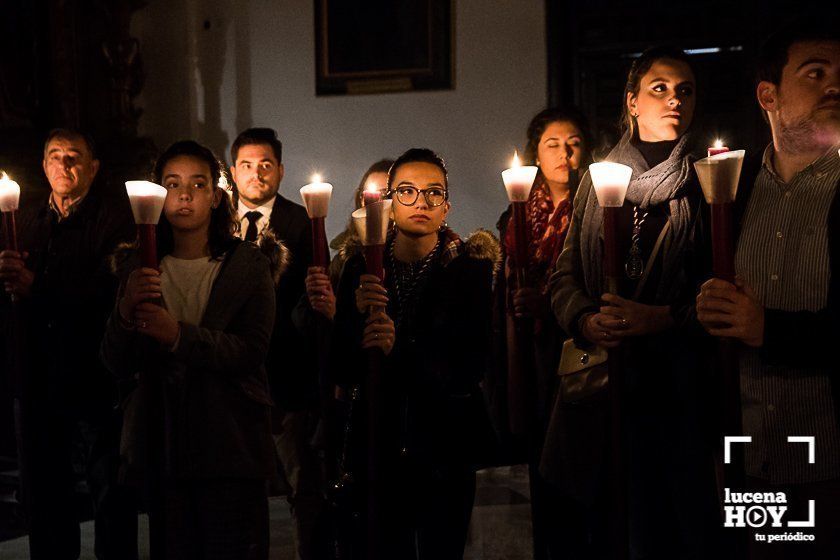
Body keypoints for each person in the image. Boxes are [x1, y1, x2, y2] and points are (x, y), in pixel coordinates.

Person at [548, 46, 720, 558]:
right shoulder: (598, 180)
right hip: (605, 384)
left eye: (685, 91)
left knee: (676, 528)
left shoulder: (707, 181)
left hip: (678, 384)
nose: (674, 100)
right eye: (660, 88)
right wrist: (584, 317)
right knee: (610, 525)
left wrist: (663, 318)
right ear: (631, 102)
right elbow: (564, 275)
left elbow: (723, 283)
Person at [696, 22, 840, 559]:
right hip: (745, 456)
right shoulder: (732, 188)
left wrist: (768, 328)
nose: (834, 86)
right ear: (768, 95)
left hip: (827, 460)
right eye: (816, 72)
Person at [101, 140, 278, 559]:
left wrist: (178, 335)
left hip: (230, 440)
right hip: (164, 442)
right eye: (173, 183)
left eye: (198, 185)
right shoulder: (142, 266)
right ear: (158, 194)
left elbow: (250, 351)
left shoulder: (247, 265)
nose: (184, 194)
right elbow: (114, 361)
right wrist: (126, 312)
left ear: (216, 197)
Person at [332, 148, 498, 558]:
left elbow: (468, 366)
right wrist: (355, 319)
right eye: (406, 191)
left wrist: (397, 349)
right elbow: (342, 364)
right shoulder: (361, 267)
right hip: (378, 443)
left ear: (447, 207)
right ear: (388, 203)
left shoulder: (469, 271)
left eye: (433, 193)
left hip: (443, 446)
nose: (420, 203)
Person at [0, 128, 138, 559]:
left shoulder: (115, 217)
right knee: (43, 489)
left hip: (95, 371)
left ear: (93, 168)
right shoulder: (27, 219)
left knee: (109, 487)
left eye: (74, 156)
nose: (65, 165)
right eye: (55, 156)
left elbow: (105, 288)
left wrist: (36, 284)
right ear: (43, 166)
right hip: (39, 373)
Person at [490, 107, 591, 560]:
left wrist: (551, 305)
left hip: (578, 353)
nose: (564, 153)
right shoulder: (514, 218)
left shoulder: (599, 207)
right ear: (536, 153)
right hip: (528, 358)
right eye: (552, 144)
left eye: (572, 142)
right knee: (539, 468)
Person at [228, 127, 328, 559]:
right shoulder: (215, 221)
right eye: (247, 165)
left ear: (281, 170)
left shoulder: (303, 221)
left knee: (303, 483)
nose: (256, 174)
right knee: (239, 487)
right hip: (230, 372)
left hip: (287, 371)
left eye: (265, 164)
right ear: (233, 172)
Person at [327, 159, 394, 285]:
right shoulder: (345, 254)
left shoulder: (402, 254)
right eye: (370, 196)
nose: (376, 203)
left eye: (385, 195)